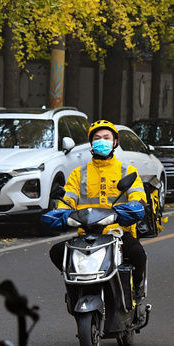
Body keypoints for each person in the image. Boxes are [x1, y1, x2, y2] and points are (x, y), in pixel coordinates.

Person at [43, 120, 148, 298]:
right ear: (91, 143)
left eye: (106, 137)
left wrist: (131, 209)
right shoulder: (78, 173)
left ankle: (136, 290)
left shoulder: (128, 171)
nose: (102, 141)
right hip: (88, 236)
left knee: (138, 254)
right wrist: (60, 214)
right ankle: (74, 291)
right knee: (57, 252)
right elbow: (66, 201)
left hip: (118, 234)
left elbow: (139, 199)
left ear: (115, 142)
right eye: (97, 138)